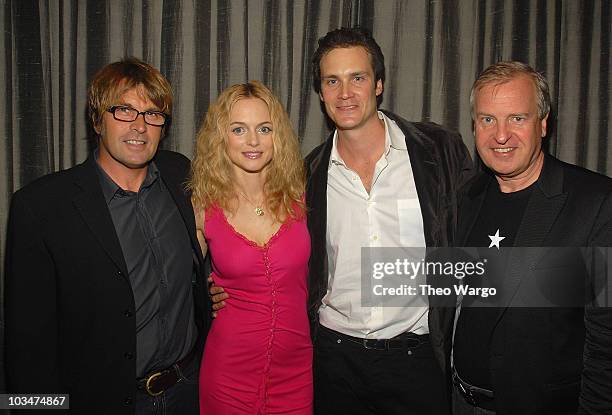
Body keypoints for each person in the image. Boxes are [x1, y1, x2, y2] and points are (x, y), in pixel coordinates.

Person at [5, 58, 210, 415]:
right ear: (97, 119)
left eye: (152, 114)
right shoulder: (41, 207)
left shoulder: (181, 175)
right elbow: (27, 347)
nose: (140, 126)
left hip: (188, 392)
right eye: (124, 110)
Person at [304, 28, 472, 414]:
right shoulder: (306, 175)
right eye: (333, 80)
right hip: (334, 360)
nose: (345, 92)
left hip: (417, 361)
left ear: (378, 84)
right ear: (321, 93)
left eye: (357, 77)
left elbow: (475, 237)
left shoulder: (439, 151)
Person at [451, 61, 612, 414]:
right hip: (459, 402)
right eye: (488, 119)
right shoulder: (467, 197)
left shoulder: (597, 203)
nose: (501, 135)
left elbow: (606, 343)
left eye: (517, 118)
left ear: (543, 123)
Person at [189, 81, 312, 414]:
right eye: (239, 129)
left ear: (278, 136)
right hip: (228, 374)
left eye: (264, 128)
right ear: (221, 137)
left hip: (297, 373)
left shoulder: (304, 198)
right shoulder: (202, 207)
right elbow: (173, 284)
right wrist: (204, 295)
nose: (253, 141)